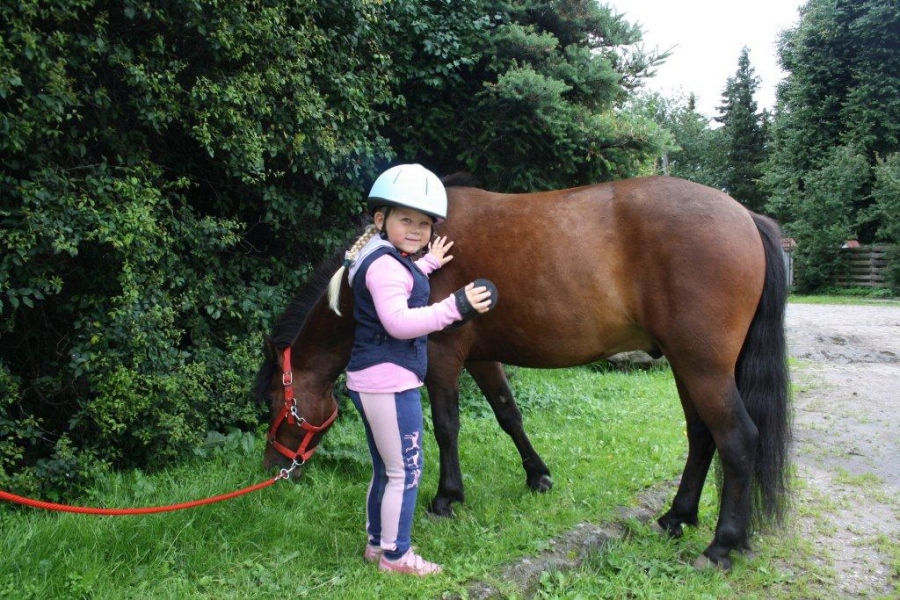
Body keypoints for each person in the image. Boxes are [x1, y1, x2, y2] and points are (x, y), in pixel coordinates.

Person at [326, 164, 495, 576]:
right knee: (407, 469)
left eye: (425, 223)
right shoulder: (386, 265)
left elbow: (401, 280)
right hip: (389, 381)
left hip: (374, 379)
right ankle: (396, 556)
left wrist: (430, 264)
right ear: (381, 220)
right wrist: (455, 307)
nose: (417, 230)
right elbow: (398, 322)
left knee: (387, 468)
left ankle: (376, 544)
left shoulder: (382, 257)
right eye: (407, 220)